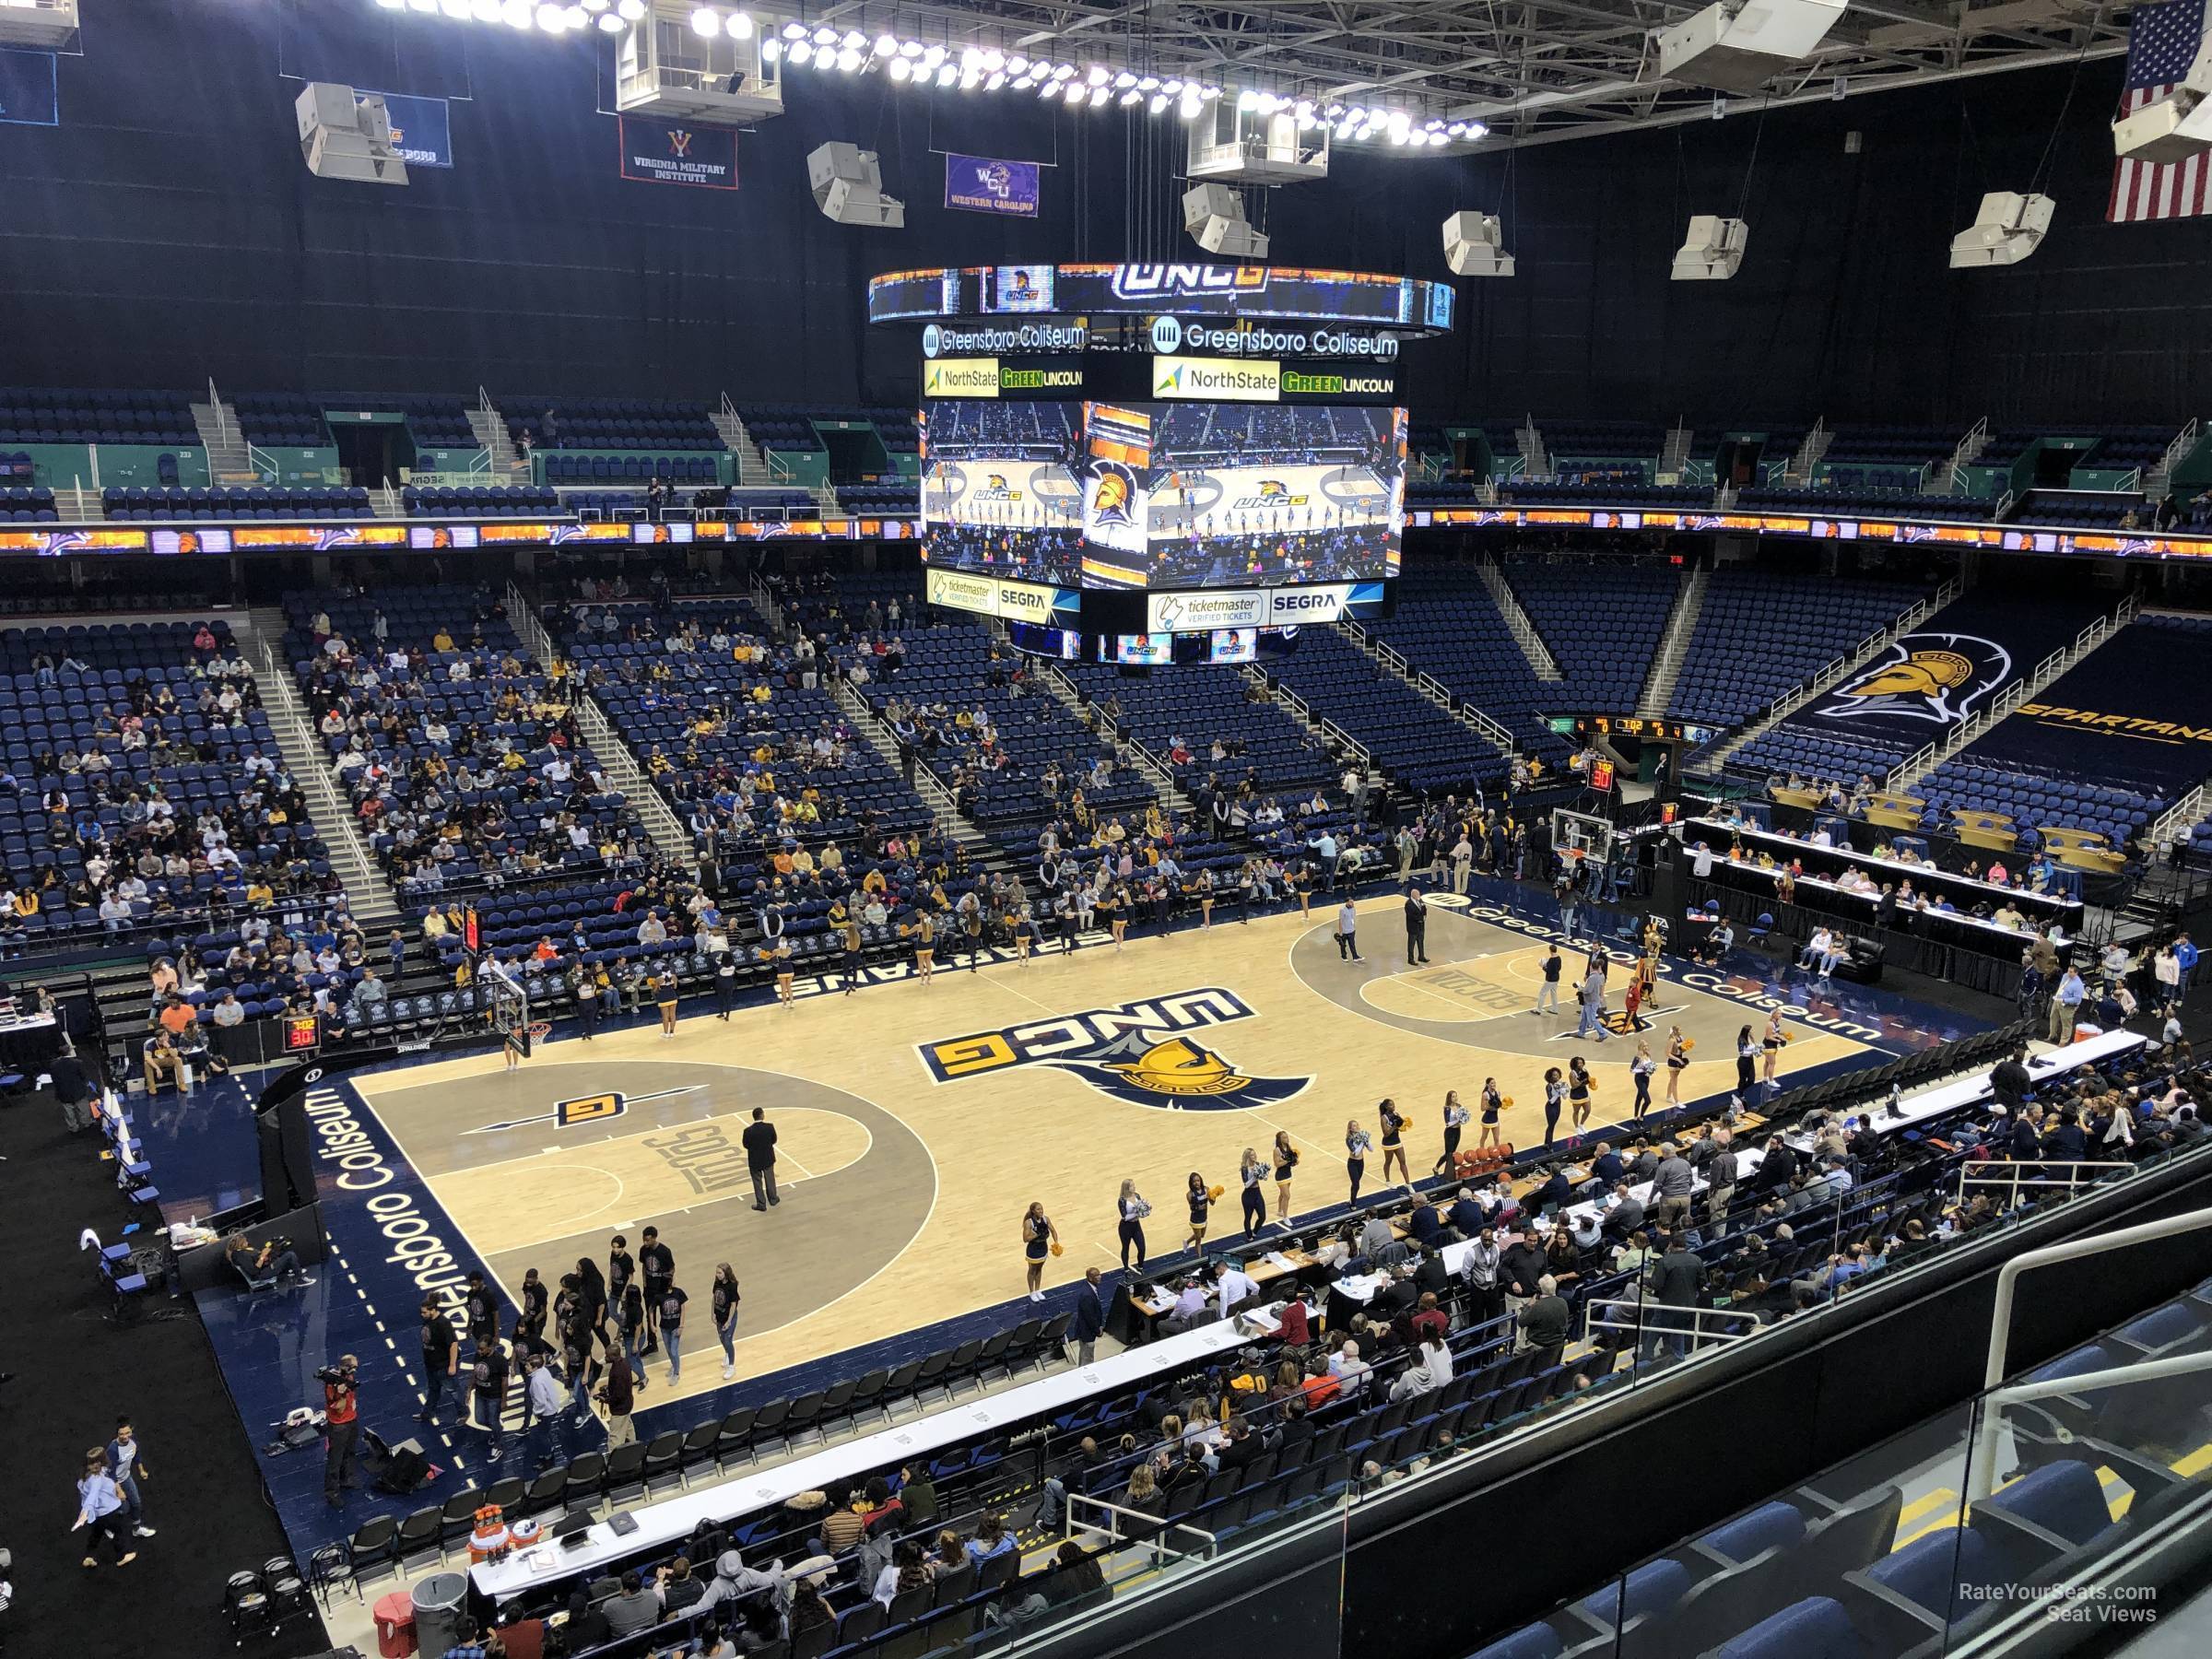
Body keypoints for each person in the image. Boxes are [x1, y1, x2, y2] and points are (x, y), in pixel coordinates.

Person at [74, 1450, 136, 1568]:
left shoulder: (82, 1480)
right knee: (120, 1531)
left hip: (95, 1516)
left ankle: (89, 1556)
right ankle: (122, 1557)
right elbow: (92, 1496)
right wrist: (84, 1513)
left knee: (96, 1535)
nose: (97, 1465)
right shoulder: (96, 1480)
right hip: (108, 1512)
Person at [322, 1353, 360, 1508]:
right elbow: (338, 1408)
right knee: (335, 1460)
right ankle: (332, 1492)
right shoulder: (332, 1384)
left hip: (351, 1420)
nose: (355, 1371)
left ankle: (347, 1478)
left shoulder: (348, 1378)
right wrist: (342, 1393)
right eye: (353, 1367)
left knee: (349, 1452)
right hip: (339, 1425)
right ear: (346, 1367)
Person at [107, 1417, 154, 1539]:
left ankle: (136, 1529)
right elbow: (111, 1473)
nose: (125, 1436)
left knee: (136, 1503)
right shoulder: (113, 1449)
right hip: (113, 1482)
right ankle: (107, 1526)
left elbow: (136, 1454)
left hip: (126, 1477)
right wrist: (119, 1491)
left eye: (127, 1433)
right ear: (117, 1434)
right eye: (121, 1434)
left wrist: (141, 1470)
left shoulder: (133, 1440)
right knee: (122, 1509)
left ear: (131, 1431)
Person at [418, 1296, 459, 1422]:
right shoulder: (428, 1321)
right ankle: (427, 1413)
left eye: (424, 1312)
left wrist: (452, 1365)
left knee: (454, 1390)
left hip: (443, 1364)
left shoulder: (443, 1323)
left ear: (433, 1310)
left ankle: (463, 1411)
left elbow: (453, 1344)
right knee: (434, 1389)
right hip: (431, 1364)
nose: (422, 1314)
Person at [598, 1347, 638, 1448]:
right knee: (628, 1427)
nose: (606, 1357)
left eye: (607, 1356)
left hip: (620, 1408)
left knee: (615, 1436)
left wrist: (606, 1400)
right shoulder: (625, 1362)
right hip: (628, 1403)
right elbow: (622, 1385)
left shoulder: (617, 1372)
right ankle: (634, 1448)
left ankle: (615, 1460)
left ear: (613, 1356)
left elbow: (618, 1395)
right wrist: (609, 1387)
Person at [743, 1105, 780, 1210]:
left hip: (754, 1160)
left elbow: (745, 1145)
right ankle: (773, 1199)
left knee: (757, 1182)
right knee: (770, 1179)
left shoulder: (748, 1131)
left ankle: (761, 1204)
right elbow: (774, 1140)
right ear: (762, 1115)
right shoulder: (769, 1127)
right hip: (768, 1158)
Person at [1021, 1201, 1059, 1302]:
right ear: (1033, 1211)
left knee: (1039, 1269)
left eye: (1041, 1208)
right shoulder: (1029, 1222)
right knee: (1032, 1270)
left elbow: (1053, 1231)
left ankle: (1037, 1290)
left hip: (1043, 1247)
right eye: (1038, 1209)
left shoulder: (1046, 1219)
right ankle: (1031, 1292)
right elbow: (1025, 1239)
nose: (1041, 1211)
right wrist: (1037, 1233)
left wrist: (1056, 1243)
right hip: (1033, 1249)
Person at [712, 1263, 741, 1382]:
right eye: (717, 1272)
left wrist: (729, 1321)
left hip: (729, 1317)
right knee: (722, 1339)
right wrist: (712, 1313)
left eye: (720, 1273)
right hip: (719, 1316)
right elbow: (714, 1298)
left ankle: (731, 1367)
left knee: (728, 1340)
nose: (717, 1275)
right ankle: (727, 1354)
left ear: (726, 1273)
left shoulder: (732, 1286)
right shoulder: (717, 1283)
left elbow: (734, 1305)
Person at [1070, 1266, 1105, 1365]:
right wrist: (1097, 1330)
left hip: (1087, 1330)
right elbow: (1089, 1317)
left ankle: (1081, 1371)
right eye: (1096, 1276)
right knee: (1087, 1358)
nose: (1099, 1277)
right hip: (1086, 1332)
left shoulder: (1091, 1288)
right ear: (1090, 1278)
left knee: (1084, 1355)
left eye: (1099, 1274)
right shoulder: (1087, 1295)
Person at [1116, 1178, 1150, 1270]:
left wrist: (1147, 1208)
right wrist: (1138, 1212)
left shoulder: (1137, 1196)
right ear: (1126, 1188)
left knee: (1142, 1248)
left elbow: (1142, 1208)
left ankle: (1140, 1266)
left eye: (1134, 1185)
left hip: (1136, 1225)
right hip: (1125, 1227)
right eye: (1132, 1186)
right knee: (1126, 1248)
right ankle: (1126, 1269)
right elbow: (1125, 1217)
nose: (1134, 1187)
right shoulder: (1122, 1200)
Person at [1434, 1090, 1468, 1177]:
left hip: (1458, 1130)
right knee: (1448, 1154)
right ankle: (1436, 1168)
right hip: (1450, 1132)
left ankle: (1449, 1170)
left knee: (1453, 1153)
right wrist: (1457, 1120)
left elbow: (1464, 1117)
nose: (1455, 1098)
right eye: (1453, 1097)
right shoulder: (1447, 1108)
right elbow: (1447, 1123)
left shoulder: (1460, 1106)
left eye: (1456, 1096)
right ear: (1449, 1098)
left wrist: (1465, 1119)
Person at [1237, 1146, 1268, 1239]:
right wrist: (1255, 1176)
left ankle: (1255, 1232)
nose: (1254, 1156)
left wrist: (1264, 1172)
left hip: (1257, 1193)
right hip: (1248, 1196)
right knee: (1248, 1217)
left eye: (1255, 1154)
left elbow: (1264, 1178)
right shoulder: (1244, 1168)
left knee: (1262, 1216)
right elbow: (1246, 1184)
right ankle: (1249, 1236)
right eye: (1252, 1155)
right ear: (1247, 1156)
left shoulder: (1257, 1164)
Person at [1379, 1098, 1410, 1187]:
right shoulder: (1384, 1118)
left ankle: (1408, 1183)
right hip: (1388, 1143)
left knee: (1403, 1161)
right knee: (1388, 1161)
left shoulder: (1396, 1114)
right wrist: (1395, 1126)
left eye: (1394, 1104)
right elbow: (1386, 1133)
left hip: (1397, 1141)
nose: (1393, 1106)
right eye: (1391, 1105)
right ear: (1386, 1107)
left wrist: (1404, 1124)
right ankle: (1388, 1181)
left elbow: (1400, 1128)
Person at [1272, 1129, 1300, 1223]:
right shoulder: (1277, 1150)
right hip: (1281, 1176)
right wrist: (1287, 1160)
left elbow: (1291, 1161)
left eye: (1287, 1137)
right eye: (1284, 1137)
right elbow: (1277, 1164)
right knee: (1287, 1196)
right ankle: (1285, 1217)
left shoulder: (1288, 1147)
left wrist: (1294, 1161)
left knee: (1282, 1194)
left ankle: (1280, 1211)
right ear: (1279, 1140)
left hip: (1288, 1174)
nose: (1286, 1139)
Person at [1183, 1171, 1217, 1252]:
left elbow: (1212, 1203)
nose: (1196, 1183)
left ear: (1201, 1180)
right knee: (1198, 1241)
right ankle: (1199, 1259)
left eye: (1198, 1180)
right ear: (1191, 1183)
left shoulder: (1207, 1189)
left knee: (1201, 1235)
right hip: (1195, 1220)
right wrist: (1198, 1204)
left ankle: (1187, 1242)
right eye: (1194, 1181)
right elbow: (1193, 1209)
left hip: (1204, 1217)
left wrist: (1214, 1197)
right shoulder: (1190, 1194)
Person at [1346, 1117, 1372, 1205]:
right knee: (1356, 1184)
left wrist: (1367, 1141)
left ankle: (1351, 1198)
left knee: (1355, 1184)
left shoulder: (1361, 1135)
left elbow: (1371, 1149)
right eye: (1354, 1126)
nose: (1356, 1127)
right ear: (1350, 1128)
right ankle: (1353, 1203)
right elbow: (1355, 1153)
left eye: (1357, 1125)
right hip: (1352, 1163)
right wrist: (1362, 1142)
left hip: (1361, 1163)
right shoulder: (1349, 1139)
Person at [1534, 944, 1562, 1016]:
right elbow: (1559, 968)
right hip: (1556, 978)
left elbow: (1548, 970)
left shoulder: (1551, 960)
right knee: (1554, 993)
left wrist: (1543, 966)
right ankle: (1555, 1009)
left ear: (1550, 950)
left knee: (1542, 993)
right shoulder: (1559, 958)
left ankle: (1538, 1010)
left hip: (1550, 979)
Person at [1630, 1041, 1656, 1119]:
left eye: (1647, 1046)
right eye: (1644, 1046)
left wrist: (1651, 1069)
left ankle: (1636, 1117)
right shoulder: (1637, 1057)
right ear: (1640, 1047)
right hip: (1639, 1078)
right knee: (1648, 1100)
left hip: (1646, 1078)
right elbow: (1631, 1070)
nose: (1646, 1048)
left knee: (1639, 1096)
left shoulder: (1648, 1055)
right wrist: (1643, 1070)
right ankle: (1641, 1116)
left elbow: (1650, 1066)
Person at [1404, 886, 1429, 965]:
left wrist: (1424, 916)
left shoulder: (1420, 900)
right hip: (1413, 927)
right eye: (1418, 895)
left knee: (1421, 942)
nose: (1419, 896)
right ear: (1413, 895)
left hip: (1421, 926)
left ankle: (1421, 956)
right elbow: (1411, 915)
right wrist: (1420, 919)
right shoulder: (1408, 904)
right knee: (1411, 944)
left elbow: (1424, 909)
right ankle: (1410, 959)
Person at [1477, 1079, 1504, 1150]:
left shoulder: (1497, 1092)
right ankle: (1481, 1150)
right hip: (1487, 1119)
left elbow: (1498, 1104)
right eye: (1492, 1083)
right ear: (1487, 1085)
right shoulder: (1485, 1094)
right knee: (1484, 1137)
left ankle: (1497, 1154)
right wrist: (1490, 1106)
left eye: (1494, 1083)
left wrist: (1504, 1105)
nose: (1494, 1084)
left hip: (1495, 1118)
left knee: (1496, 1138)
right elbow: (1482, 1108)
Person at [1335, 896, 1361, 961]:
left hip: (1352, 930)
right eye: (1351, 902)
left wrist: (1354, 927)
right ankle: (1344, 956)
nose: (1352, 903)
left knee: (1352, 944)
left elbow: (1353, 918)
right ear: (1346, 903)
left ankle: (1355, 957)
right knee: (1343, 945)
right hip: (1344, 931)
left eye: (1353, 902)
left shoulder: (1353, 909)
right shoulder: (1342, 910)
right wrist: (1340, 932)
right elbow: (1340, 921)